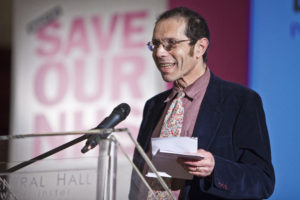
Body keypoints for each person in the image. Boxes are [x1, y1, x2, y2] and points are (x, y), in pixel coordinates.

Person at [132, 6, 275, 200]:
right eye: (155, 44)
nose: (159, 53)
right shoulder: (154, 106)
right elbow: (140, 174)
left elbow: (262, 181)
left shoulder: (240, 101)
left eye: (170, 44)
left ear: (200, 47)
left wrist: (215, 168)